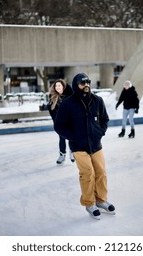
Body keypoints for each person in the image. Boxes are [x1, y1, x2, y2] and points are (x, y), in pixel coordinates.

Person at [54, 73, 115, 219]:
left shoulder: (97, 100)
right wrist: (73, 137)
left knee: (101, 172)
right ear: (76, 85)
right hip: (79, 146)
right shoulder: (67, 104)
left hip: (96, 145)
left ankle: (101, 200)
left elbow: (105, 119)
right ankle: (89, 203)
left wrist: (100, 132)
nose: (86, 85)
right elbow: (59, 126)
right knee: (88, 173)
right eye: (83, 83)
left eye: (88, 82)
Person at [48, 79, 74, 164]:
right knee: (61, 138)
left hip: (70, 121)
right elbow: (52, 111)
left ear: (63, 86)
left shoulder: (70, 95)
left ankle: (72, 152)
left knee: (71, 137)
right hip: (60, 122)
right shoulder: (53, 97)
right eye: (56, 86)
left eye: (59, 85)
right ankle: (62, 154)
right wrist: (56, 121)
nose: (58, 87)